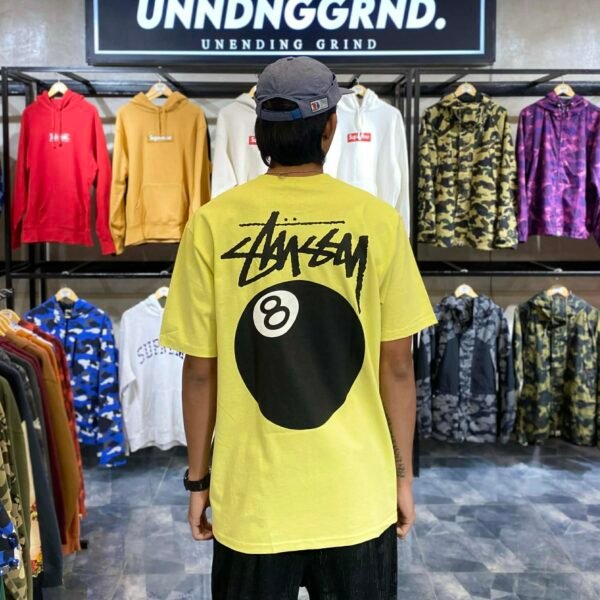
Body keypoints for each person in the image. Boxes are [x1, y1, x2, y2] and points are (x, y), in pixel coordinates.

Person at [160, 56, 436, 600]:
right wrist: (402, 477)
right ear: (330, 128)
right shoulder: (378, 221)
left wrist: (198, 481)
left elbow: (199, 372)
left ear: (260, 132)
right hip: (356, 495)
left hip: (254, 498)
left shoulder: (212, 223)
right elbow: (399, 367)